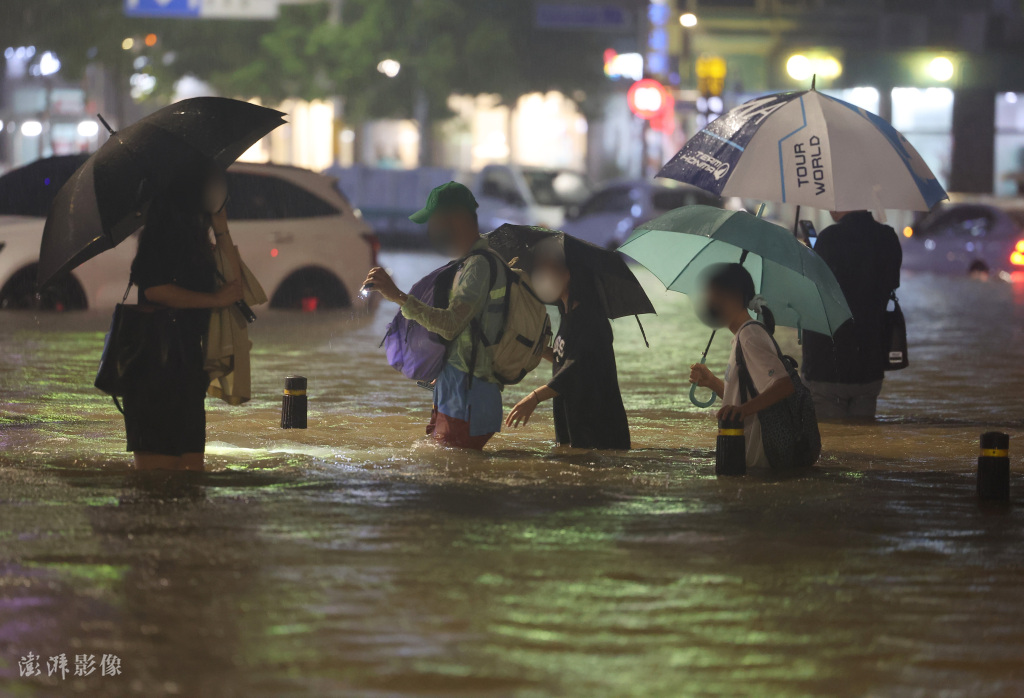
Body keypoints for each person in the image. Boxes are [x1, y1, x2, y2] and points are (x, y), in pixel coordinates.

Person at [362, 182, 506, 450]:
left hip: (467, 400)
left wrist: (398, 297)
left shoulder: (477, 267)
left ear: (458, 221)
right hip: (456, 392)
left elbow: (451, 325)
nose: (432, 231)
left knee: (451, 481)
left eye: (436, 221)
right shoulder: (470, 261)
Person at [122, 164, 244, 471]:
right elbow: (154, 290)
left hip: (188, 369)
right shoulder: (160, 234)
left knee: (191, 476)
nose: (219, 195)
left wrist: (221, 227)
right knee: (157, 481)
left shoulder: (198, 240)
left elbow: (236, 287)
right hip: (154, 369)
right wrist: (214, 299)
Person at [505, 243, 631, 449]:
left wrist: (534, 397)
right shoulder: (567, 315)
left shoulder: (592, 319)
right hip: (576, 423)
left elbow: (576, 368)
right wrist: (534, 350)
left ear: (568, 274)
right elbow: (564, 358)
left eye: (550, 269)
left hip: (599, 431)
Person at [688, 264, 795, 469]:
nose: (709, 301)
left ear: (734, 297)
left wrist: (743, 411)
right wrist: (712, 383)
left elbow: (784, 385)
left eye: (715, 293)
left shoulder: (749, 336)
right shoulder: (742, 336)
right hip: (747, 460)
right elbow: (745, 398)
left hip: (760, 462)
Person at [801, 210, 902, 419]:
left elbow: (814, 289)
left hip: (827, 364)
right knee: (862, 440)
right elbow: (890, 284)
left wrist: (807, 257)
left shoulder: (829, 238)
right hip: (870, 364)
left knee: (832, 445)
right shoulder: (888, 238)